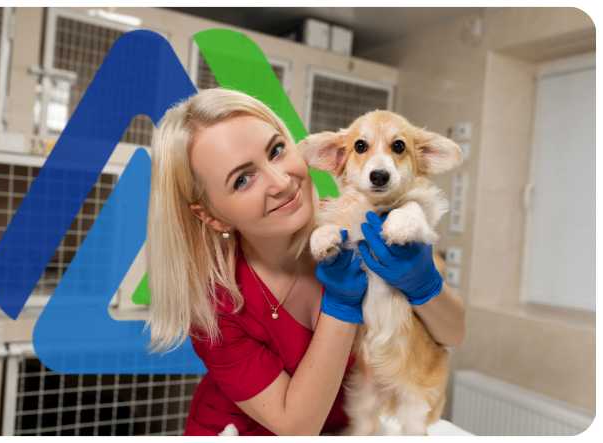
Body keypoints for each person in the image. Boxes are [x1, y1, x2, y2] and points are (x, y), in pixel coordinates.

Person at [145, 88, 466, 437]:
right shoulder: (215, 311)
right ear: (211, 216)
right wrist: (341, 307)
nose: (281, 182)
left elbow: (453, 333)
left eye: (276, 150)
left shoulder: (350, 226)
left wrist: (424, 284)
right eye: (242, 179)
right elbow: (298, 427)